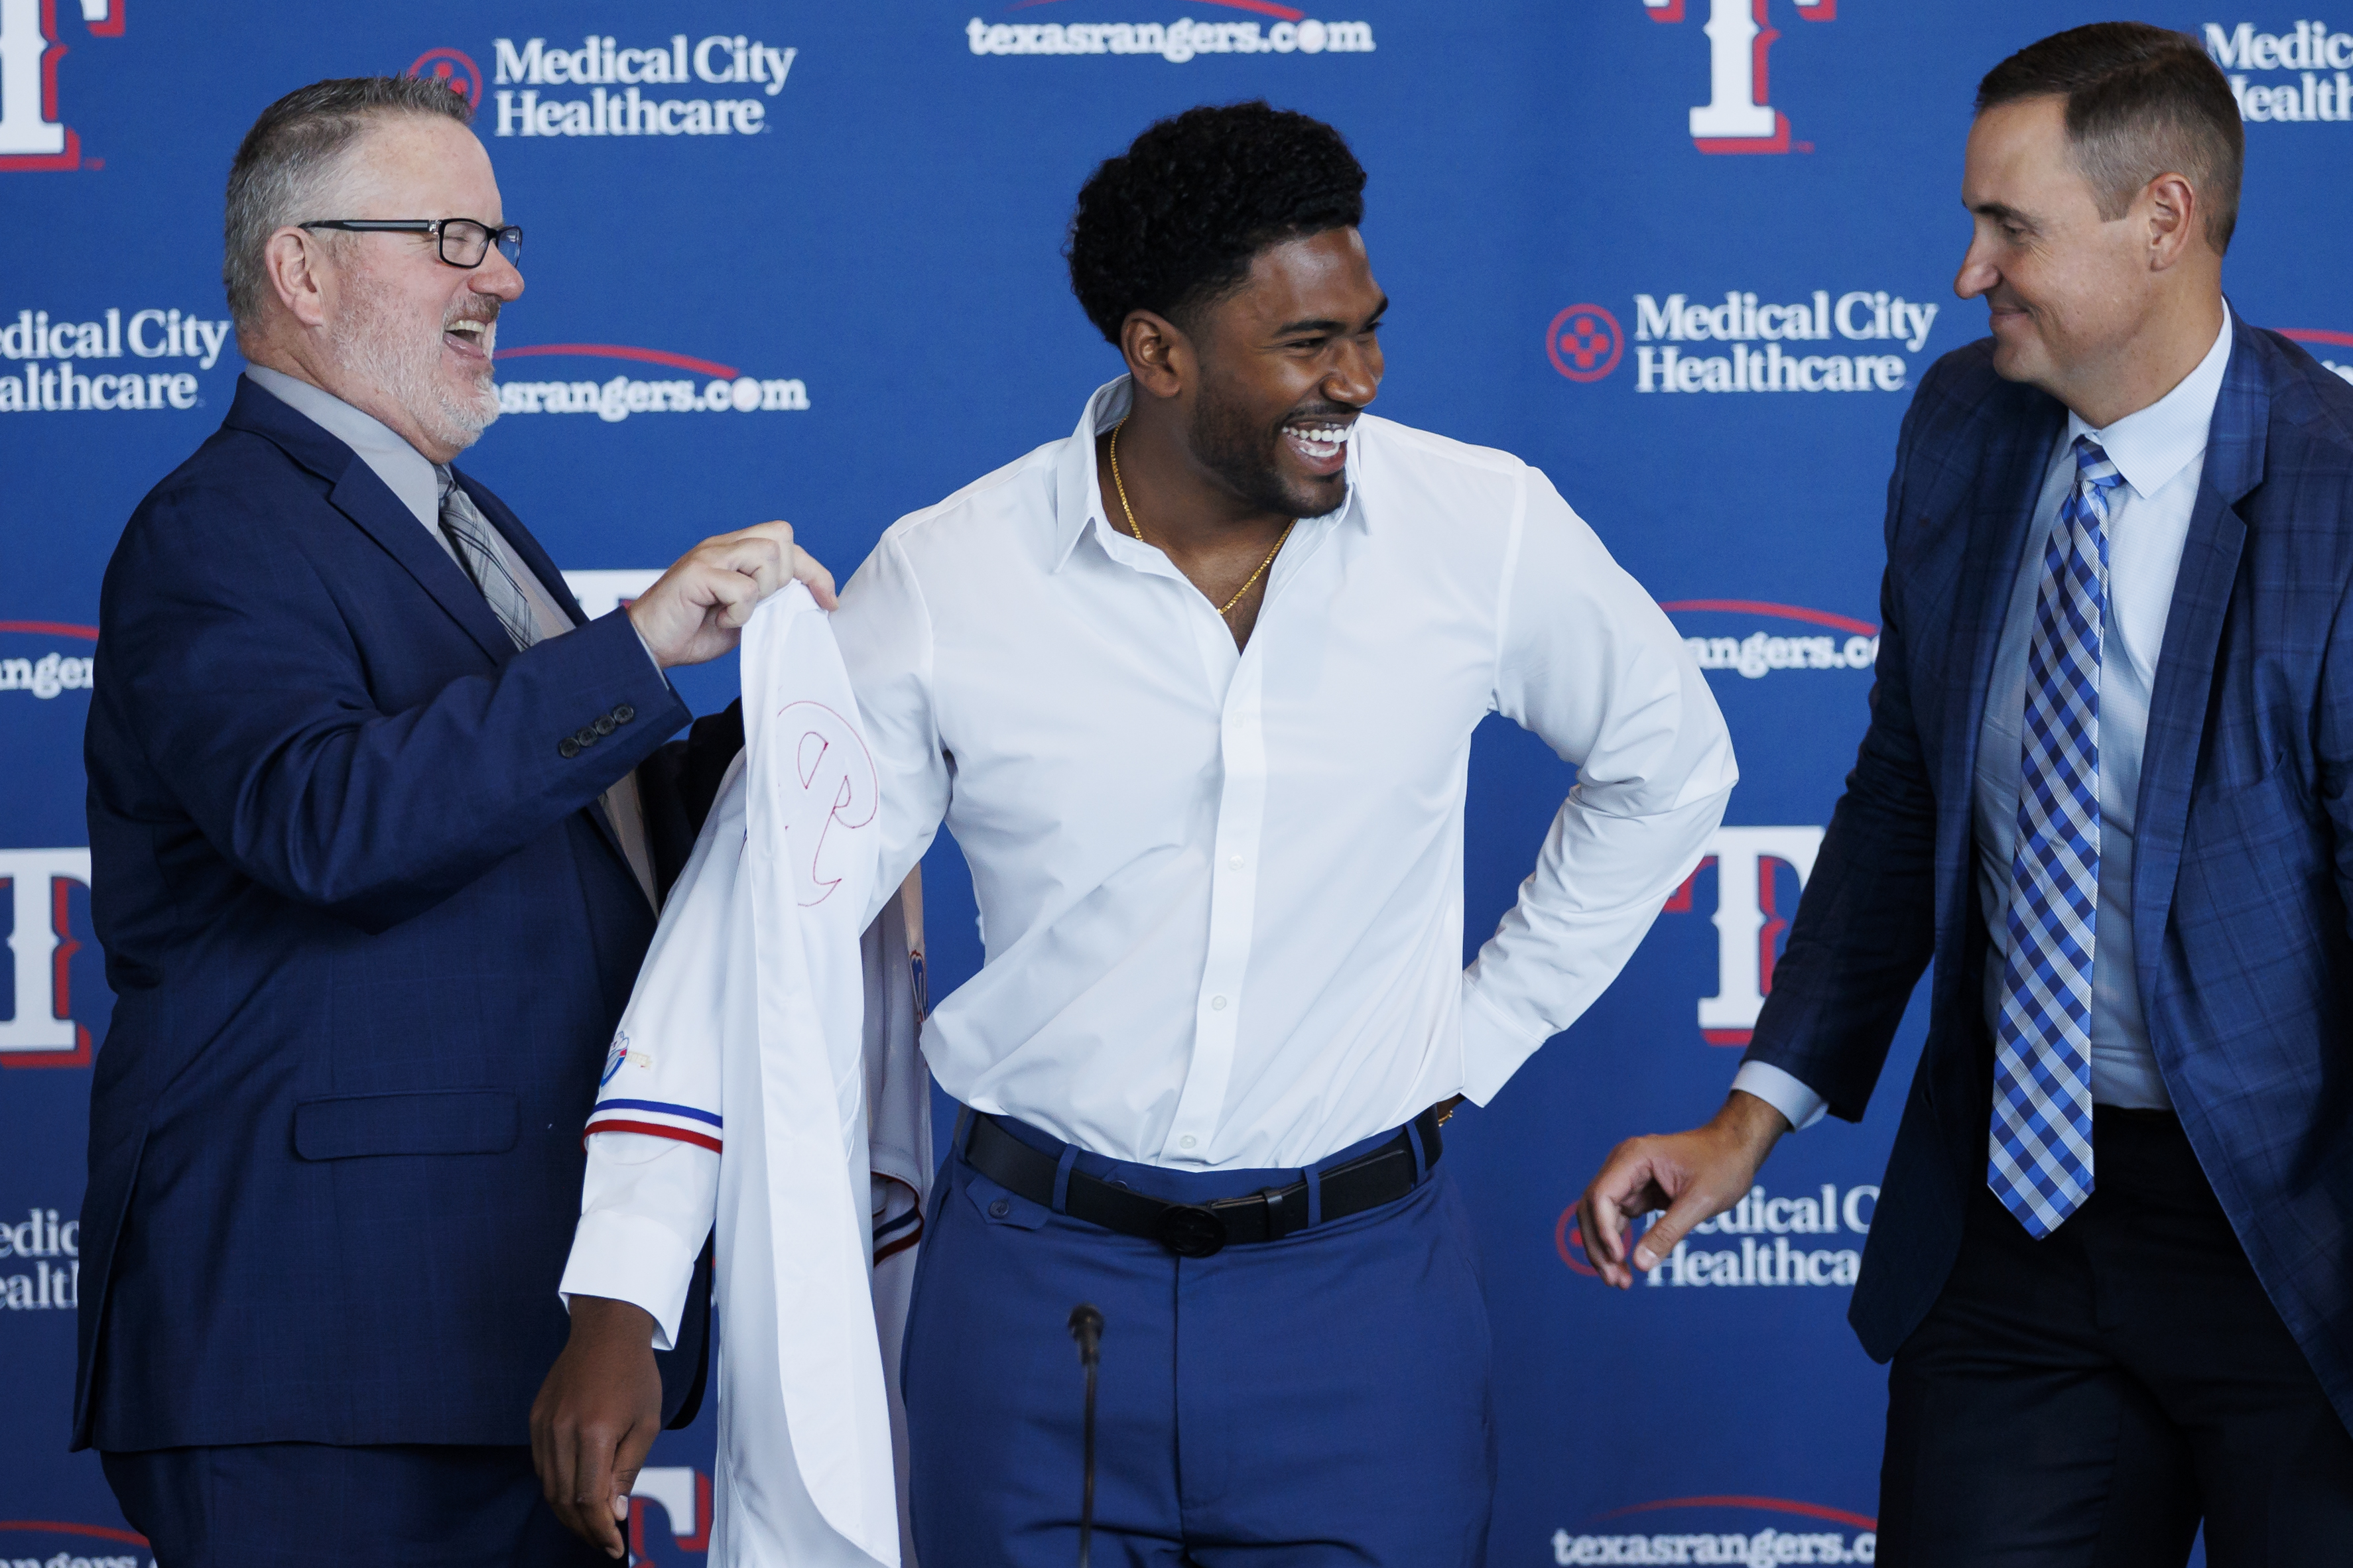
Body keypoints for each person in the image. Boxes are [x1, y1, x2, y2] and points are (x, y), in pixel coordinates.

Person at [534, 101, 1736, 1565]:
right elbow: (756, 906)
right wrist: (626, 1288)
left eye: (1367, 328)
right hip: (1034, 1304)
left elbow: (1666, 766)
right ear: (1157, 351)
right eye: (1306, 344)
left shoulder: (1478, 529)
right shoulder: (954, 576)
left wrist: (1472, 1037)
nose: (1357, 380)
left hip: (1362, 1307)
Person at [1576, 23, 2353, 1565]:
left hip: (2296, 1231)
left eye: (2009, 227)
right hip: (2016, 1220)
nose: (1965, 271)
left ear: (2162, 220)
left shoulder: (2335, 496)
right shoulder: (1962, 426)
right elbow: (1903, 789)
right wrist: (1757, 1113)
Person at [78, 76, 826, 1566]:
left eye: (500, 238)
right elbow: (322, 820)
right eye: (452, 239)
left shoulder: (456, 514)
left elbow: (570, 834)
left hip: (493, 1348)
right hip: (324, 1363)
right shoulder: (218, 523)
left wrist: (806, 734)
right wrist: (633, 649)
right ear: (301, 268)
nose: (506, 279)